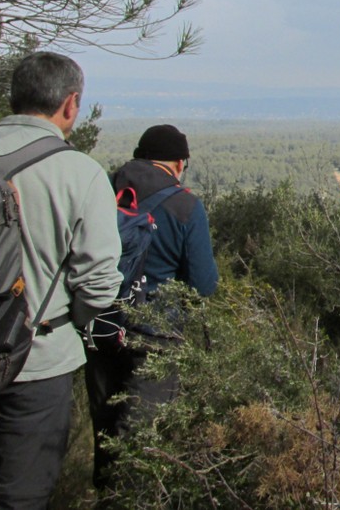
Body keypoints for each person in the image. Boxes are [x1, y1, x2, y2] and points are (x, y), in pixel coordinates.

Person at [0, 52, 123, 510]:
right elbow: (98, 285)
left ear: (13, 97)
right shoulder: (80, 173)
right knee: (21, 499)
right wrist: (58, 324)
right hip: (36, 362)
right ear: (71, 104)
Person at [85, 124, 218, 491]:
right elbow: (204, 284)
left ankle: (104, 495)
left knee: (106, 432)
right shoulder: (186, 205)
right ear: (180, 163)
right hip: (155, 336)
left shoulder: (103, 189)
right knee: (141, 442)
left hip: (101, 327)